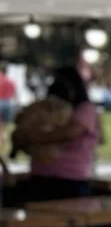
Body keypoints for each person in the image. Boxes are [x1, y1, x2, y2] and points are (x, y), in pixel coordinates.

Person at [7, 64, 103, 204]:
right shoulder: (42, 108)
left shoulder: (85, 110)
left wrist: (33, 136)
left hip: (71, 181)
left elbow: (69, 133)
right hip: (40, 177)